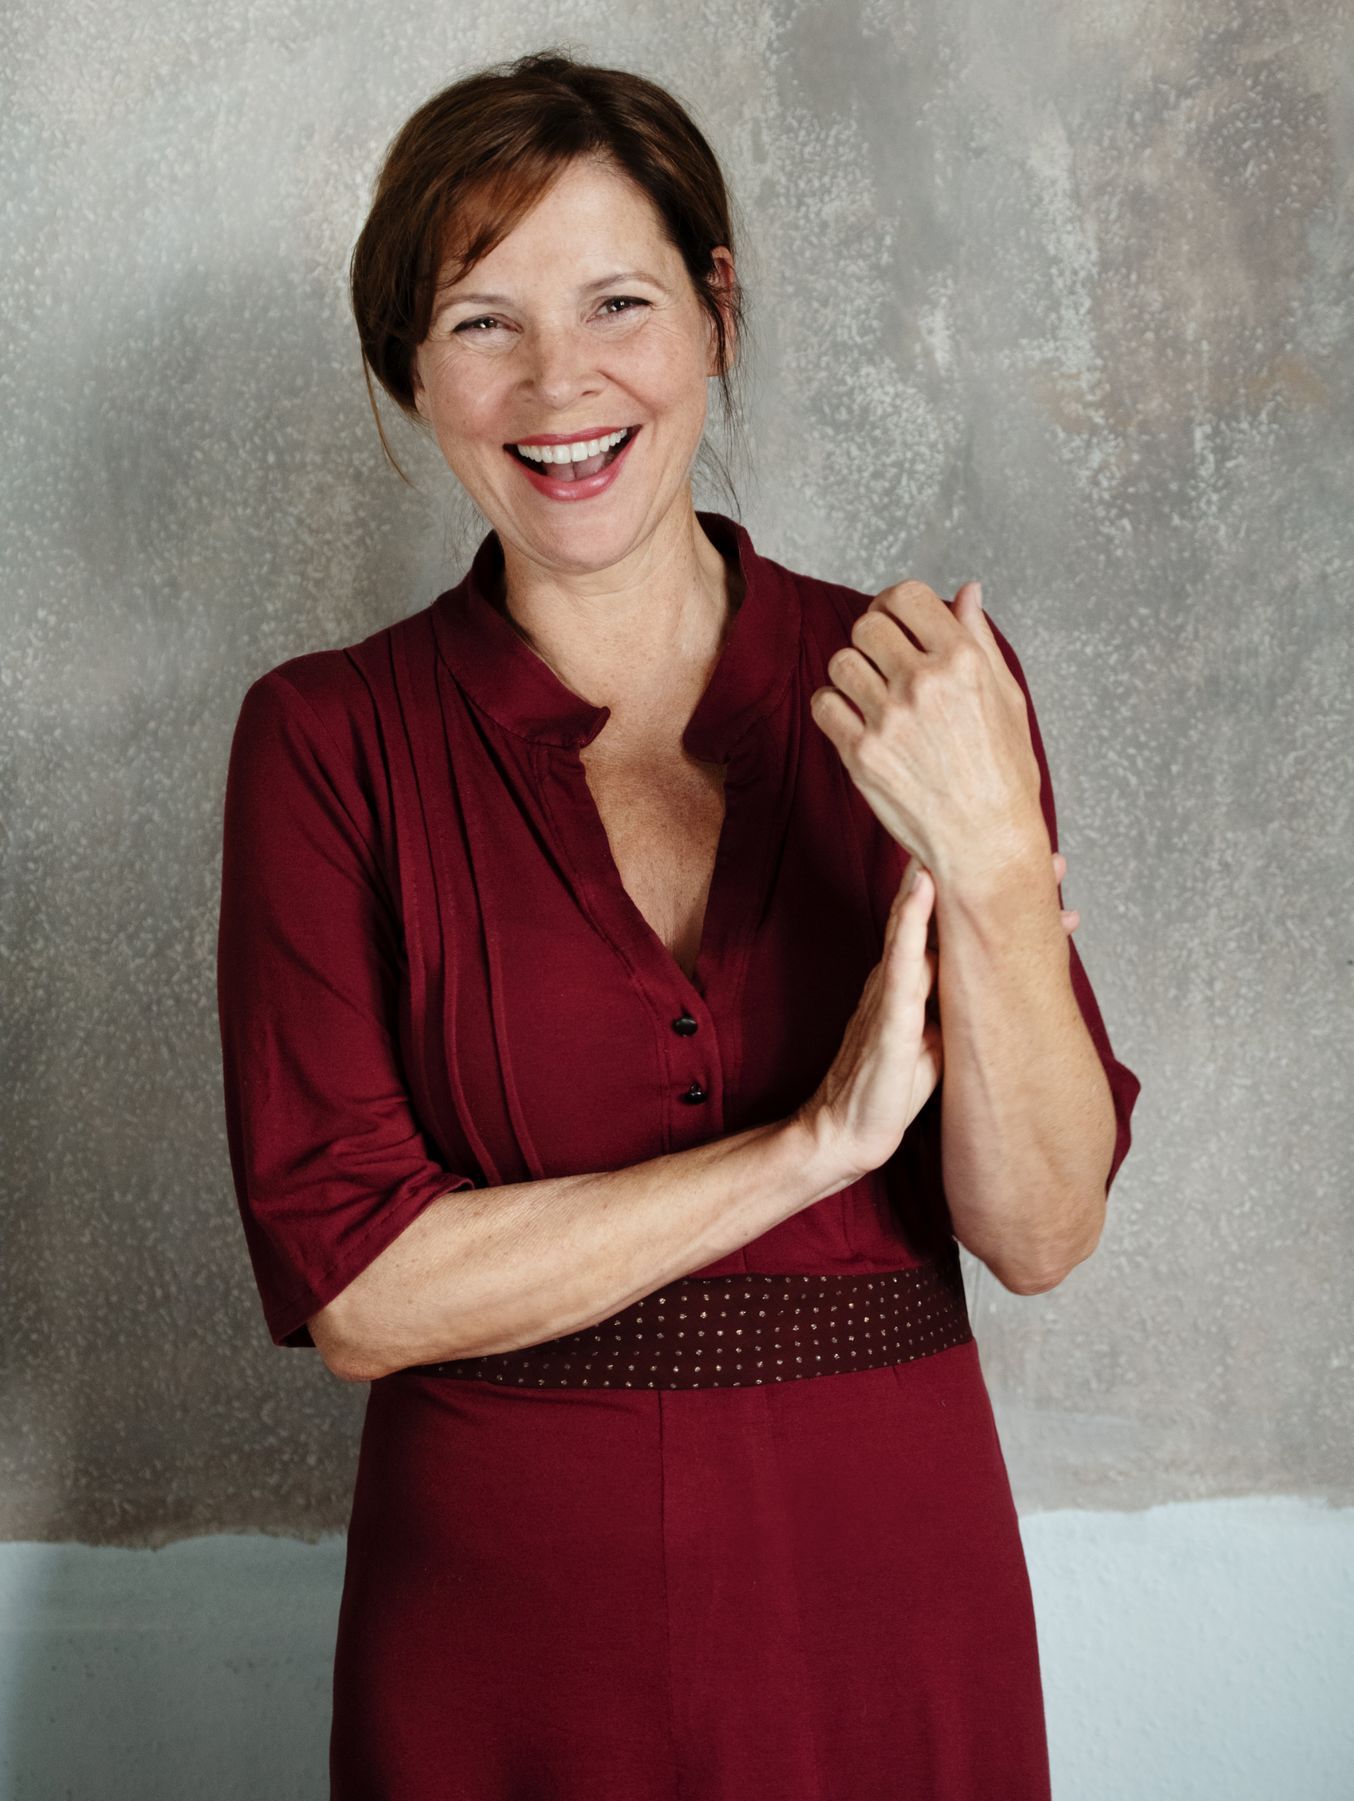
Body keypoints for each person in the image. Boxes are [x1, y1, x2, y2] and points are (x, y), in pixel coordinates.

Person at [216, 48, 1141, 1800]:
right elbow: (362, 1293)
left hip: (891, 1604)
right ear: (411, 370)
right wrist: (811, 1149)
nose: (558, 383)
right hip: (500, 1643)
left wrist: (996, 867)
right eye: (481, 323)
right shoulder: (325, 741)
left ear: (716, 310)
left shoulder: (926, 683)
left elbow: (1037, 1232)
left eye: (617, 302)